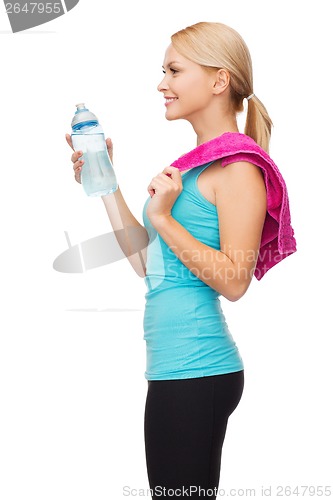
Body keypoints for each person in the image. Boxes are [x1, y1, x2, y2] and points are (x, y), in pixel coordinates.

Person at [66, 21, 274, 500]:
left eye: (174, 70)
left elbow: (235, 281)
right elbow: (147, 264)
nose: (162, 83)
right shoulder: (194, 165)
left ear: (219, 80)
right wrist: (107, 182)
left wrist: (164, 217)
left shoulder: (239, 168)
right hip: (177, 369)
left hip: (196, 369)